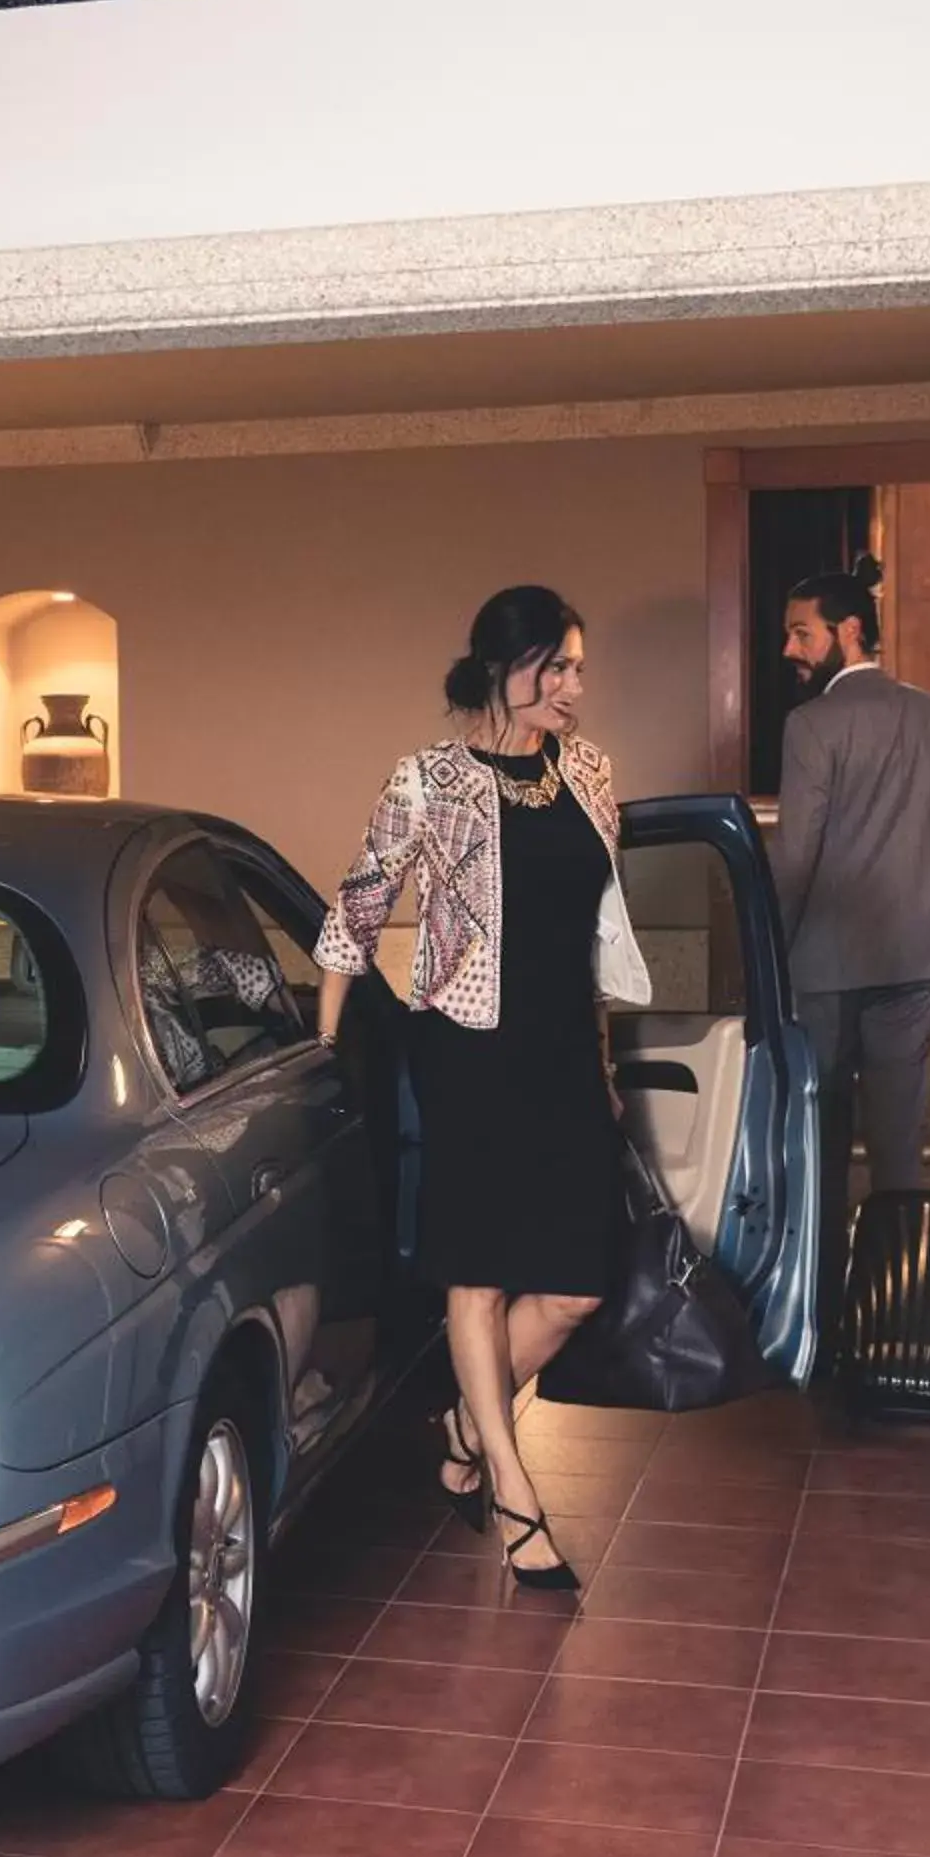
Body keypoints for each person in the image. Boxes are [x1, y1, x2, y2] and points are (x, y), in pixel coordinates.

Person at [313, 585, 652, 1590]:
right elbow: (358, 908)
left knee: (575, 1286)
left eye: (581, 669)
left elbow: (595, 937)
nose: (577, 688)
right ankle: (511, 1487)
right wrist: (327, 1043)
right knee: (478, 1278)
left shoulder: (590, 774)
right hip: (467, 1054)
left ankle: (467, 1418)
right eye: (561, 667)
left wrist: (602, 1060)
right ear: (510, 665)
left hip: (563, 1057)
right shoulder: (428, 783)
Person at [770, 555, 930, 1335]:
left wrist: (768, 950)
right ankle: (899, 1312)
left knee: (822, 1141)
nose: (791, 649)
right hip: (913, 963)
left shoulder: (811, 725)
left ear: (849, 629)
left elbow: (796, 854)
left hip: (825, 966)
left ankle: (822, 1319)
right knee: (900, 1145)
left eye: (802, 633)